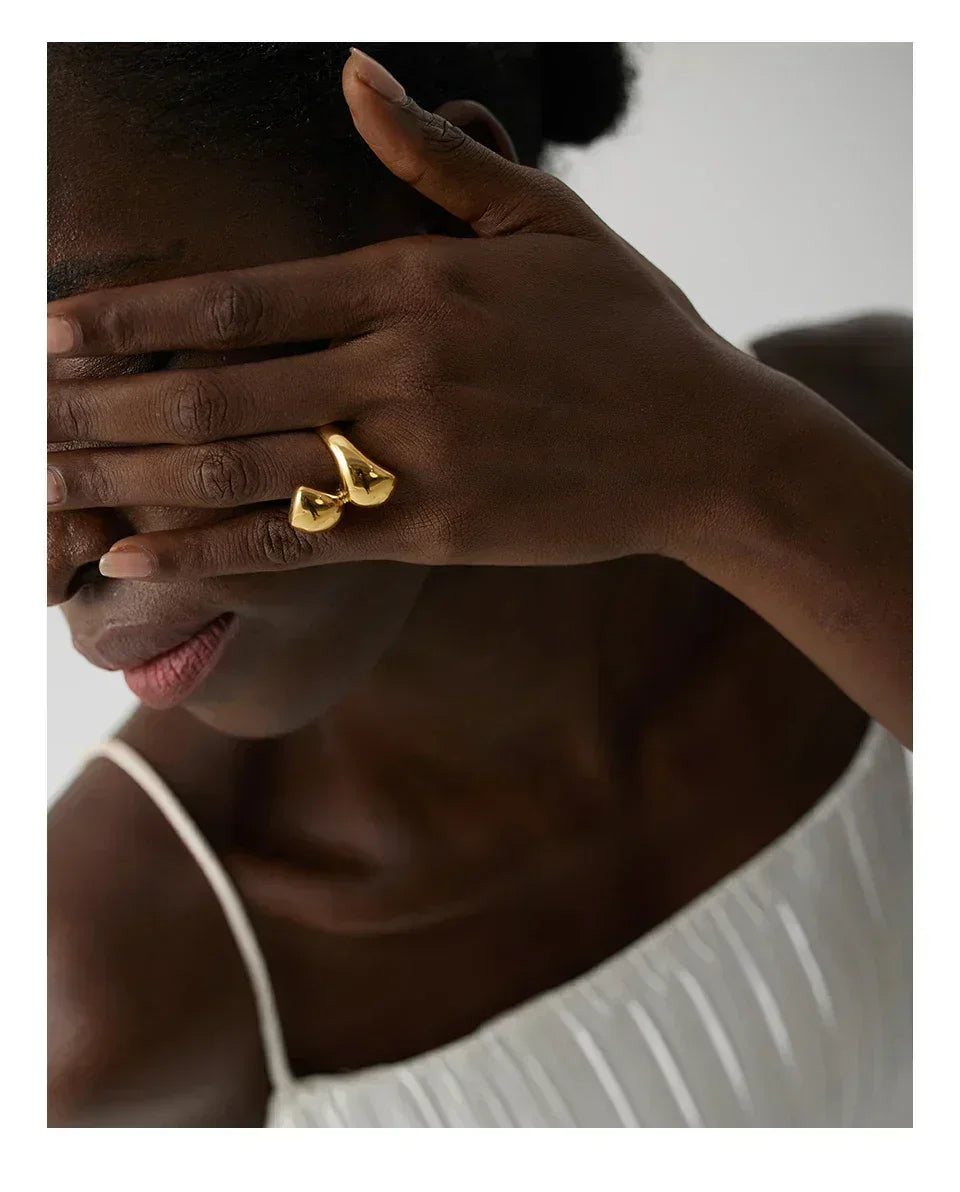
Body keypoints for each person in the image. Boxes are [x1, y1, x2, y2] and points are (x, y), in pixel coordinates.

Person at [47, 43, 912, 1128]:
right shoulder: (103, 1003)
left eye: (111, 381)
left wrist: (746, 479)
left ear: (447, 220)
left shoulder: (900, 435)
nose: (44, 567)